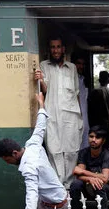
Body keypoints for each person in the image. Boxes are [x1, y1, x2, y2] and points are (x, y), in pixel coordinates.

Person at [0, 91, 68, 209]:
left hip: (56, 206)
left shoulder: (29, 166)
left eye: (6, 159)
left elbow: (32, 191)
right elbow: (40, 127)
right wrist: (41, 105)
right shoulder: (32, 145)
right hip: (46, 203)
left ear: (14, 153)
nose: (6, 163)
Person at [34, 36, 83, 188]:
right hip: (53, 115)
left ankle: (69, 186)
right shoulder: (44, 65)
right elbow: (46, 89)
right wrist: (41, 80)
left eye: (58, 47)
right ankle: (58, 186)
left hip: (71, 115)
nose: (55, 50)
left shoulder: (72, 68)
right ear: (49, 50)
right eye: (53, 47)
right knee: (54, 149)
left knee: (71, 150)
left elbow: (76, 93)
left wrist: (81, 118)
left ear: (63, 49)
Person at [70, 126, 109, 209]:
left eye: (97, 138)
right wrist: (90, 178)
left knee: (99, 185)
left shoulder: (106, 154)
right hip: (86, 185)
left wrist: (86, 173)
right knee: (75, 184)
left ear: (103, 141)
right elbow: (79, 176)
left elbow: (105, 178)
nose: (93, 140)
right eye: (91, 136)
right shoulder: (84, 153)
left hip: (103, 188)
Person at [88, 71, 109, 145]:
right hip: (106, 123)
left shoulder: (94, 93)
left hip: (97, 123)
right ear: (108, 81)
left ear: (99, 80)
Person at [72, 52, 90, 150]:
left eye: (83, 64)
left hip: (84, 117)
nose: (81, 66)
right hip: (75, 117)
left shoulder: (82, 79)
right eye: (78, 63)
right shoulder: (71, 79)